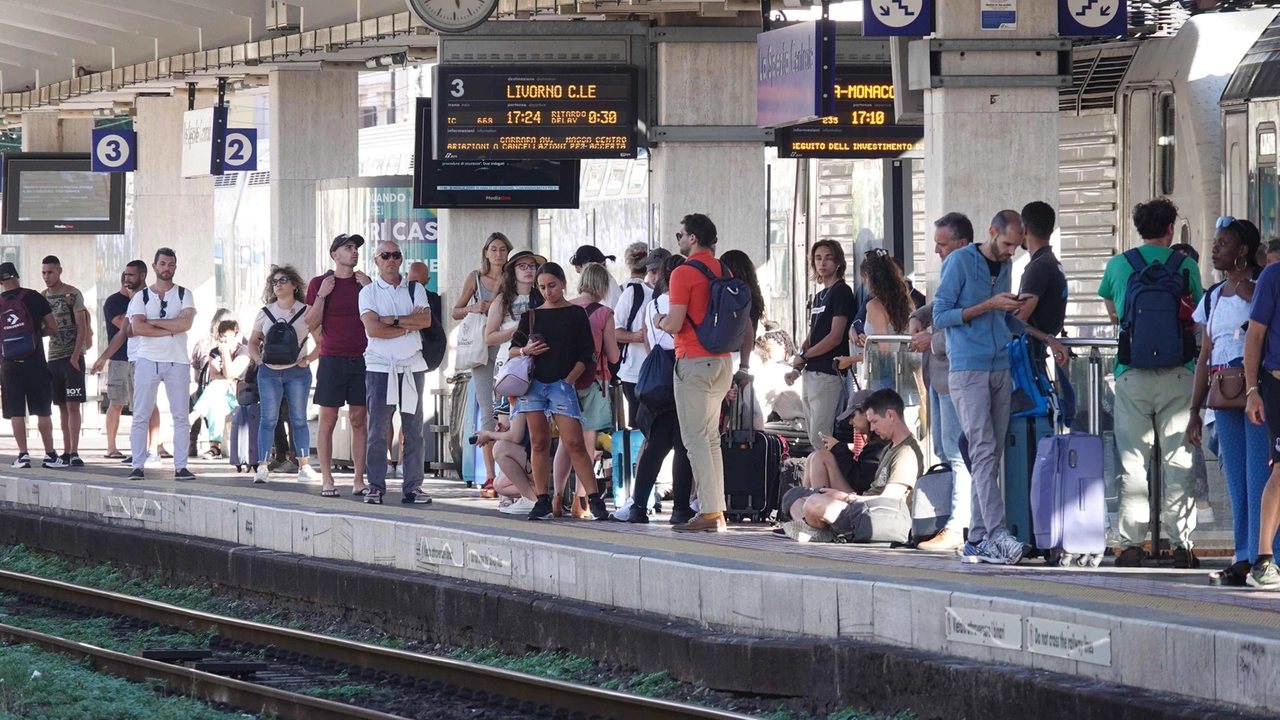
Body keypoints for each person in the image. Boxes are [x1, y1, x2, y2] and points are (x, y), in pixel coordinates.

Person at [1097, 198, 1203, 568]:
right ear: (1171, 228)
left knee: (1132, 462)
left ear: (1139, 228)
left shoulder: (1118, 264)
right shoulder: (1185, 264)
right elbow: (1198, 315)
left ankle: (1130, 545)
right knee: (1179, 462)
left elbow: (1113, 310)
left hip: (1131, 372)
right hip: (1179, 372)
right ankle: (1181, 545)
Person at [934, 209, 1029, 564]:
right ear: (992, 232)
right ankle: (997, 534)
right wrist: (989, 304)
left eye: (1016, 247)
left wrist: (1044, 338)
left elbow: (1001, 317)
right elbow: (942, 316)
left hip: (999, 366)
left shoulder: (1005, 266)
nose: (1011, 253)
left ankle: (977, 538)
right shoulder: (959, 261)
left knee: (989, 456)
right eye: (1007, 244)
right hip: (967, 369)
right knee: (983, 450)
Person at [658, 214, 751, 533]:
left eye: (680, 234)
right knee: (711, 438)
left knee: (695, 438)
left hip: (694, 362)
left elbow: (674, 322)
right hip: (722, 361)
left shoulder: (682, 272)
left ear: (692, 238)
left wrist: (658, 320)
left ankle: (710, 512)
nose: (679, 239)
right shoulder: (722, 269)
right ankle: (716, 510)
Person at [1187, 218, 1267, 586]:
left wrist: (1251, 291)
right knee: (1237, 480)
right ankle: (1242, 555)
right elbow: (1205, 355)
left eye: (1222, 243)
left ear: (1243, 251)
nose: (1214, 249)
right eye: (1215, 243)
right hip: (1223, 392)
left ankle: (1265, 556)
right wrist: (1194, 410)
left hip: (1257, 389)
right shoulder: (1212, 296)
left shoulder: (1263, 289)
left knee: (1260, 477)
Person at [509, 262, 610, 521]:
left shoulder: (576, 314)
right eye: (542, 287)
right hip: (533, 385)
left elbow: (587, 353)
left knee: (575, 442)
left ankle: (594, 499)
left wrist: (568, 380)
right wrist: (525, 351)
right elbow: (513, 349)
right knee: (539, 442)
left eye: (552, 285)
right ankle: (543, 499)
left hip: (561, 384)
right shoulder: (532, 315)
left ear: (564, 283)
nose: (547, 292)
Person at [777, 389, 923, 543]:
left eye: (874, 421)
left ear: (890, 415)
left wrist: (847, 498)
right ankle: (818, 530)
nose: (872, 428)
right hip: (864, 508)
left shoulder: (906, 452)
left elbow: (889, 499)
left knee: (813, 502)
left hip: (878, 515)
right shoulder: (890, 448)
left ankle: (818, 529)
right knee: (793, 497)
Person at [909, 214, 974, 552]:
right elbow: (940, 307)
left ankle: (959, 524)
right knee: (944, 450)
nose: (936, 250)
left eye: (942, 244)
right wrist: (917, 317)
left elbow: (971, 324)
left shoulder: (973, 271)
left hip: (957, 375)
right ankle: (951, 516)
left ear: (961, 244)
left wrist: (931, 341)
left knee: (959, 452)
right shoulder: (954, 269)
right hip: (938, 375)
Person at [359, 240, 434, 505]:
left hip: (412, 366)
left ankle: (413, 487)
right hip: (380, 367)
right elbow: (373, 329)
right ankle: (375, 486)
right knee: (378, 428)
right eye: (385, 255)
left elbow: (425, 321)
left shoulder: (415, 288)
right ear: (377, 260)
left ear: (401, 260)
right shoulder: (368, 292)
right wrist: (406, 324)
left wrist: (389, 320)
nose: (391, 259)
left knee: (413, 429)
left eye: (395, 255)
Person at [624, 254, 696, 524]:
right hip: (681, 372)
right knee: (683, 445)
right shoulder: (680, 303)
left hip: (655, 377)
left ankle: (638, 506)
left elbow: (647, 341)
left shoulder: (652, 302)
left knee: (656, 445)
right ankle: (680, 508)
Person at [305, 234, 372, 497]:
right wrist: (322, 295)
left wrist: (369, 289)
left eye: (356, 248)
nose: (354, 252)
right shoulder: (319, 283)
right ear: (335, 255)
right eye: (348, 248)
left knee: (359, 420)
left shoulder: (364, 283)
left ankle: (358, 479)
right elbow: (310, 323)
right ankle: (327, 478)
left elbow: (377, 317)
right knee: (328, 419)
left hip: (362, 359)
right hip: (331, 359)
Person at [552, 262, 620, 518]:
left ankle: (556, 496)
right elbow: (612, 356)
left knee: (564, 443)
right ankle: (581, 500)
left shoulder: (563, 308)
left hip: (562, 383)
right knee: (587, 444)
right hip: (592, 382)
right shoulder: (605, 314)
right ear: (603, 285)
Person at [126, 248, 198, 480]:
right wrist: (169, 327)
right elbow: (137, 328)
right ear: (155, 266)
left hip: (177, 360)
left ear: (175, 267)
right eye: (163, 264)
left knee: (180, 416)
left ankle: (181, 466)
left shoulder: (184, 294)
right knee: (141, 414)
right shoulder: (141, 296)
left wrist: (154, 323)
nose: (167, 268)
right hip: (148, 359)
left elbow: (185, 324)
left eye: (171, 264)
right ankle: (138, 464)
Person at [248, 265, 320, 486]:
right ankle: (262, 466)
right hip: (268, 372)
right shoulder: (265, 312)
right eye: (274, 281)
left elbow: (321, 343)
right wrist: (259, 361)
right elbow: (253, 341)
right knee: (268, 419)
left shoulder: (307, 311)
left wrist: (306, 361)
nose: (278, 284)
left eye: (283, 280)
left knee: (299, 419)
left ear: (294, 285)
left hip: (297, 372)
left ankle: (304, 465)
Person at [453, 232, 512, 495]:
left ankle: (507, 473)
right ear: (486, 252)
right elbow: (456, 310)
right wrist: (473, 308)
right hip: (481, 347)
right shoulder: (475, 278)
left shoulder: (514, 279)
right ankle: (490, 476)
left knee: (508, 408)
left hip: (508, 345)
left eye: (502, 249)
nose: (498, 254)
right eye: (494, 249)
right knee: (487, 408)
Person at [791, 240, 855, 449]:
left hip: (829, 373)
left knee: (822, 437)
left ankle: (829, 480)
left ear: (838, 262)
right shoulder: (819, 297)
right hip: (810, 373)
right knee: (813, 436)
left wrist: (806, 355)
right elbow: (812, 335)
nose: (823, 263)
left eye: (828, 257)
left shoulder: (841, 292)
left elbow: (836, 336)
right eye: (818, 258)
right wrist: (798, 365)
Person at [0, 262, 58, 468]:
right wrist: (34, 334)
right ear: (17, 275)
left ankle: (23, 455)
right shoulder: (33, 296)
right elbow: (53, 327)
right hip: (35, 361)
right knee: (42, 410)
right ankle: (50, 455)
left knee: (16, 411)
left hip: (9, 364)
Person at [40, 255, 88, 467]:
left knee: (73, 405)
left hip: (71, 358)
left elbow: (82, 326)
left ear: (59, 271)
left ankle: (74, 451)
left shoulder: (72, 293)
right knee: (60, 406)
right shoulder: (42, 297)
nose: (46, 277)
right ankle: (66, 450)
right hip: (53, 358)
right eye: (43, 273)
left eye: (50, 272)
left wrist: (76, 356)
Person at [96, 263, 147, 460]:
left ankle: (154, 447)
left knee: (144, 405)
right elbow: (126, 326)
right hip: (119, 359)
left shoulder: (145, 298)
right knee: (116, 403)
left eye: (131, 276)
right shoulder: (113, 302)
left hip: (141, 357)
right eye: (126, 277)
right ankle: (111, 447)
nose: (129, 280)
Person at [1014, 202, 1071, 367]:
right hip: (1036, 355)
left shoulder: (1039, 266)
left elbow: (1019, 316)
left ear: (1025, 229)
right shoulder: (1052, 263)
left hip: (1027, 358)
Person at [799, 389, 885, 495]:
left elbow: (860, 482)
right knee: (813, 456)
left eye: (852, 416)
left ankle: (816, 503)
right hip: (859, 494)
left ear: (867, 413)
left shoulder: (879, 443)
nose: (850, 422)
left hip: (864, 500)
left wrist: (839, 449)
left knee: (821, 457)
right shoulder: (876, 441)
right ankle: (808, 502)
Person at [190, 320, 251, 462]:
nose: (225, 340)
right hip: (223, 395)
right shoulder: (214, 352)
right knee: (216, 402)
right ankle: (215, 447)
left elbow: (230, 373)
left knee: (218, 386)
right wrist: (229, 380)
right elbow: (214, 375)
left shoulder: (244, 351)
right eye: (222, 336)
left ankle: (195, 415)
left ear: (236, 336)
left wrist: (226, 354)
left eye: (229, 337)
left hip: (241, 396)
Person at [613, 242, 654, 428]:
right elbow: (614, 331)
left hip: (661, 373)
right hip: (634, 373)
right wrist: (634, 336)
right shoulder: (631, 292)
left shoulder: (670, 294)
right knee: (639, 427)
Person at [475, 413, 538, 515]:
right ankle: (542, 496)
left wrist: (489, 434)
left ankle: (532, 499)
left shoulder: (519, 399)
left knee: (501, 448)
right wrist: (499, 433)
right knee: (499, 485)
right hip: (531, 458)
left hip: (540, 459)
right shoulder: (507, 402)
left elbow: (515, 436)